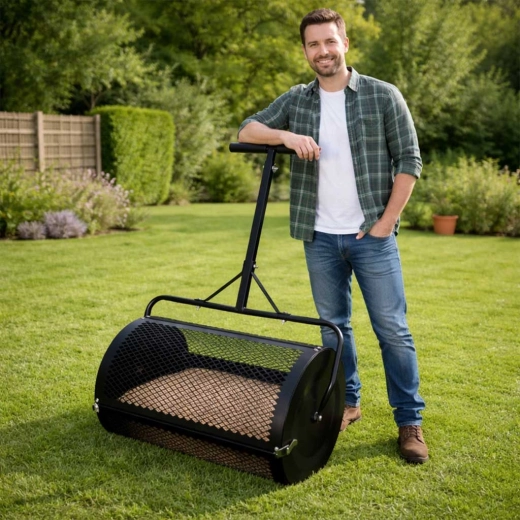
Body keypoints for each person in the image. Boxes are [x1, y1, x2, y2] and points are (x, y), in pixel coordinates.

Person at [238, 8, 428, 463]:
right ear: (306, 51)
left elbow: (410, 160)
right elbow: (247, 129)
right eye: (313, 44)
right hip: (319, 237)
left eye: (329, 41)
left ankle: (409, 421)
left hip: (372, 237)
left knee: (393, 331)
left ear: (345, 43)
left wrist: (385, 223)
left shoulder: (382, 94)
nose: (322, 51)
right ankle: (349, 403)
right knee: (334, 329)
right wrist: (285, 136)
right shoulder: (298, 99)